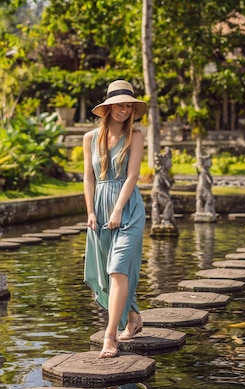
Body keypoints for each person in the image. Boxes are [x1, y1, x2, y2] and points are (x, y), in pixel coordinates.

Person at [83, 79, 148, 359]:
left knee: (119, 269)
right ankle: (133, 318)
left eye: (128, 104)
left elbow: (132, 175)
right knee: (110, 275)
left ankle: (109, 337)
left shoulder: (136, 135)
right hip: (99, 206)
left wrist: (119, 209)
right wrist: (90, 212)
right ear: (107, 107)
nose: (124, 109)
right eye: (119, 104)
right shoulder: (90, 138)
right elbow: (88, 177)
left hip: (128, 208)